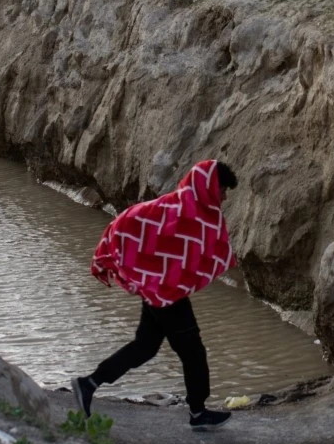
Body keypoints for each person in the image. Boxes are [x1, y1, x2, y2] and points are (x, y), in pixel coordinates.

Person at [70, 161, 239, 430]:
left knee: (145, 347)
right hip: (166, 295)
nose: (225, 196)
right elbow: (127, 222)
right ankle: (198, 413)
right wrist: (114, 256)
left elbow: (136, 223)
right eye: (222, 189)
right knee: (193, 352)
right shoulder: (185, 210)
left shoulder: (183, 207)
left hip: (160, 291)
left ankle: (87, 384)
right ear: (208, 187)